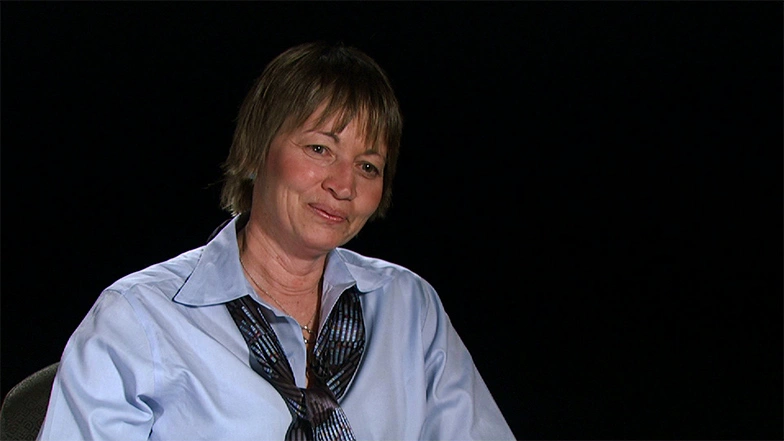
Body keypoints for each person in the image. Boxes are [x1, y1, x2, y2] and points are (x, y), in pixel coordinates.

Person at [37, 41, 516, 441]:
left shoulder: (410, 308)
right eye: (320, 149)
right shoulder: (138, 319)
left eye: (368, 166)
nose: (344, 185)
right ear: (255, 150)